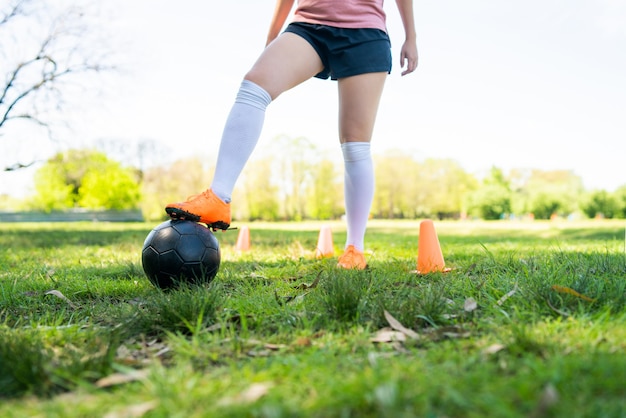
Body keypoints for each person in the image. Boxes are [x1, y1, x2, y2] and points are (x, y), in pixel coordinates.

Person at [166, 0, 418, 269]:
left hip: (365, 33)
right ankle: (218, 196)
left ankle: (355, 248)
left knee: (355, 144)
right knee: (253, 88)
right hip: (308, 26)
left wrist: (411, 36)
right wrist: (273, 38)